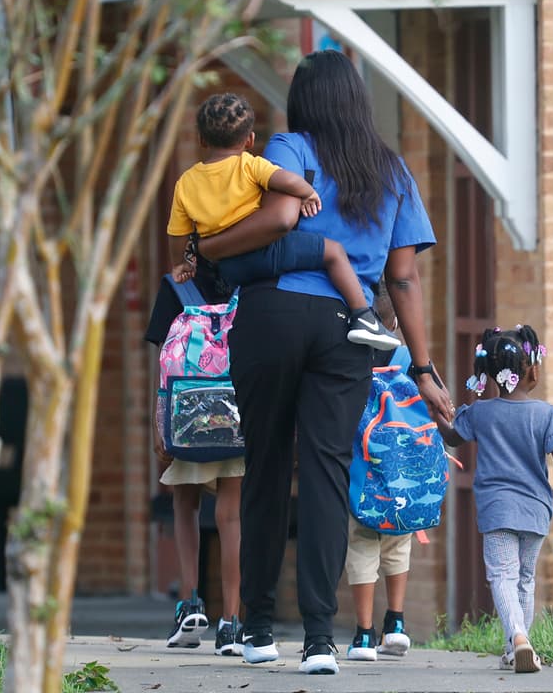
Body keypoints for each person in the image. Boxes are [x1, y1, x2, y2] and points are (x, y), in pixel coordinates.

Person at [191, 50, 455, 675]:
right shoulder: (391, 169)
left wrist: (210, 249)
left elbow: (277, 217)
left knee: (264, 466)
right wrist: (422, 368)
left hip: (273, 313)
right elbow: (404, 278)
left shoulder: (289, 147)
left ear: (302, 101)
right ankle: (318, 639)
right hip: (347, 327)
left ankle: (257, 628)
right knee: (327, 475)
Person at [167, 92, 399, 351]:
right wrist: (307, 192)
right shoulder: (249, 165)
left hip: (229, 267)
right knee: (333, 252)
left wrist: (182, 263)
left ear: (201, 139)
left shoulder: (185, 183)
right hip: (264, 250)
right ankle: (364, 317)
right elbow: (284, 179)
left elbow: (177, 233)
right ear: (250, 139)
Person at [434, 324, 553, 675]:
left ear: (489, 372)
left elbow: (452, 436)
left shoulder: (480, 412)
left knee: (502, 575)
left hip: (497, 507)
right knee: (525, 578)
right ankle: (517, 647)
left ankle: (517, 638)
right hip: (536, 508)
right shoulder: (546, 414)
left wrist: (437, 411)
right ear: (533, 371)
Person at [147, 269, 245, 656]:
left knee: (184, 503)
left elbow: (161, 361)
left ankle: (190, 604)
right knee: (231, 516)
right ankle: (232, 622)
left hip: (187, 412)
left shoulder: (176, 287)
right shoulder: (249, 280)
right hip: (235, 414)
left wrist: (159, 421)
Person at [345, 286, 413, 662]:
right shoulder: (407, 357)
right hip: (400, 468)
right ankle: (397, 622)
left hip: (359, 469)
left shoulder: (348, 354)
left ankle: (364, 634)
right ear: (396, 321)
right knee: (398, 542)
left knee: (361, 543)